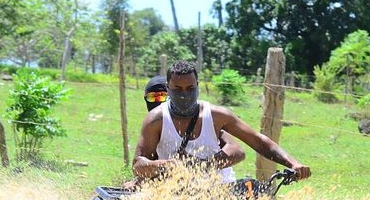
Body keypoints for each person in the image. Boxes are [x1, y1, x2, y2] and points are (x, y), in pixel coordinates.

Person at [133, 61, 310, 183]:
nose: (184, 94)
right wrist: (167, 166)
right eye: (178, 89)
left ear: (198, 86)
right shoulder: (156, 120)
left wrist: (293, 163)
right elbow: (139, 165)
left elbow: (258, 142)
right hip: (176, 194)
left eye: (190, 88)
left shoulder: (217, 115)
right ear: (168, 89)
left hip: (223, 190)